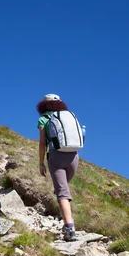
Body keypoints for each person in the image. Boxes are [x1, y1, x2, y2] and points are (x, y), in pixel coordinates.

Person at [37, 93, 81, 241]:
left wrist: (41, 163)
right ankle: (66, 219)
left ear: (44, 105)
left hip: (56, 157)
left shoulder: (44, 118)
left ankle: (69, 228)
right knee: (62, 190)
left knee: (62, 193)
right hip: (74, 156)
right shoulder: (68, 115)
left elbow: (42, 143)